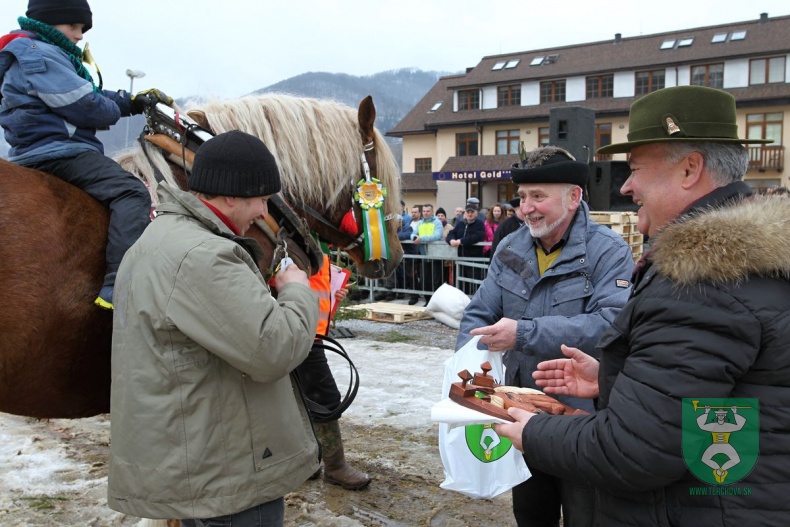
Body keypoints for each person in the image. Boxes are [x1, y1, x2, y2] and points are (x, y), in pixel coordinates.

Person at [494, 86, 790, 526]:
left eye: (635, 169)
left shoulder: (703, 283)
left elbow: (633, 451)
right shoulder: (743, 265)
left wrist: (534, 432)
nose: (627, 185)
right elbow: (710, 401)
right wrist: (616, 376)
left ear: (690, 169)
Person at [107, 130, 320, 526]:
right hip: (228, 470)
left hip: (199, 457)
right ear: (231, 197)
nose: (263, 211)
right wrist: (296, 293)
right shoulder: (203, 256)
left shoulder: (161, 239)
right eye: (261, 199)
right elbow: (275, 349)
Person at [458, 145, 635, 527]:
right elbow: (479, 312)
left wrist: (524, 333)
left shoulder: (608, 253)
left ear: (574, 197)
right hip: (521, 412)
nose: (526, 209)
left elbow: (611, 323)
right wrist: (467, 369)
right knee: (530, 513)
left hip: (579, 420)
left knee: (584, 515)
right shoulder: (511, 246)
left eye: (538, 196)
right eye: (522, 198)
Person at [0, 0, 173, 309]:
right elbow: (87, 106)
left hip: (39, 149)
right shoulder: (40, 55)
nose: (80, 36)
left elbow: (89, 95)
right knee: (132, 193)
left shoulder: (34, 51)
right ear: (50, 23)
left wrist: (131, 101)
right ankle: (120, 284)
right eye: (74, 27)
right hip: (59, 152)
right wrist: (117, 108)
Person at [296, 253, 371, 490]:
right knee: (323, 398)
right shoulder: (294, 242)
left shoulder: (310, 245)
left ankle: (306, 462)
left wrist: (332, 293)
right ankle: (335, 467)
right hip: (299, 331)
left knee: (303, 397)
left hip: (309, 332)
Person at [445, 201, 486, 295]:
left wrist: (461, 241)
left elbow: (478, 236)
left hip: (474, 259)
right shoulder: (460, 224)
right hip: (460, 259)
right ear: (465, 213)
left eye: (472, 212)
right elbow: (451, 233)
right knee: (461, 284)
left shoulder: (480, 224)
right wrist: (451, 240)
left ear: (476, 213)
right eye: (468, 212)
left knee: (475, 283)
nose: (470, 214)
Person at [410, 203, 444, 306]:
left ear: (432, 212)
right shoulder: (420, 223)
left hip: (435, 256)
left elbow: (437, 236)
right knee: (425, 280)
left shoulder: (437, 223)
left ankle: (438, 303)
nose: (425, 213)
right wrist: (414, 238)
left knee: (436, 281)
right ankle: (428, 301)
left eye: (428, 211)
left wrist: (421, 239)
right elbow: (413, 234)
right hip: (424, 256)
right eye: (424, 211)